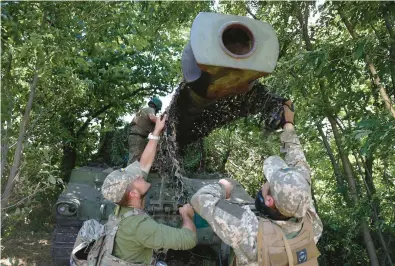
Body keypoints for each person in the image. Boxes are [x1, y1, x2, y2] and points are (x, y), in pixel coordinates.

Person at [190, 100, 323, 265]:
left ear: (268, 200)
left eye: (269, 181)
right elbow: (298, 163)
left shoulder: (248, 226)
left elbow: (200, 198)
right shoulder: (310, 218)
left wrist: (223, 187)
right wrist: (288, 124)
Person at [102, 114, 197, 265]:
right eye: (137, 178)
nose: (141, 176)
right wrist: (187, 216)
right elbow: (188, 239)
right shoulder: (142, 227)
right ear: (133, 194)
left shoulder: (121, 204)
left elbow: (144, 164)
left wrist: (156, 132)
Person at [128, 96, 162, 165]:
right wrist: (162, 122)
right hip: (137, 136)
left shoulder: (143, 111)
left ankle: (132, 174)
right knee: (133, 160)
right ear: (157, 107)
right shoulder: (150, 110)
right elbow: (152, 118)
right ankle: (128, 175)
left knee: (136, 158)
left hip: (135, 136)